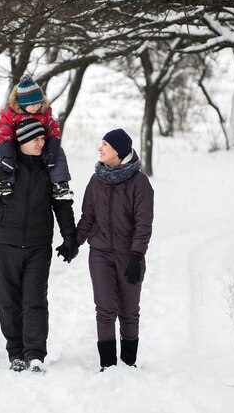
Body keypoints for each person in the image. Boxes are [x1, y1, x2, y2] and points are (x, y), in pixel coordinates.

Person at [0, 118, 80, 374]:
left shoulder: (48, 166)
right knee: (8, 300)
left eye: (43, 138)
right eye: (36, 139)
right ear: (21, 140)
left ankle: (35, 354)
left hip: (38, 245)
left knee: (35, 300)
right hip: (5, 243)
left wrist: (69, 237)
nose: (42, 143)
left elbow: (62, 204)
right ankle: (15, 352)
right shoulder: (4, 165)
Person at [76, 129, 154, 371]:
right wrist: (73, 243)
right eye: (101, 144)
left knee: (129, 311)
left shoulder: (139, 183)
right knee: (105, 310)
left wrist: (137, 255)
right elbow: (87, 218)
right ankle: (108, 366)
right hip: (100, 254)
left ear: (118, 151)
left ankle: (129, 363)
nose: (100, 149)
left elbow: (144, 223)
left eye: (105, 145)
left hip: (129, 256)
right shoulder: (96, 179)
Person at [0, 74, 73, 200]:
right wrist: (6, 150)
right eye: (33, 104)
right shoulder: (10, 114)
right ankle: (4, 181)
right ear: (22, 103)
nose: (37, 107)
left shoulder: (44, 112)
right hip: (15, 144)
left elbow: (53, 128)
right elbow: (3, 131)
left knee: (58, 152)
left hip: (40, 144)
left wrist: (53, 144)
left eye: (38, 103)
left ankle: (60, 184)